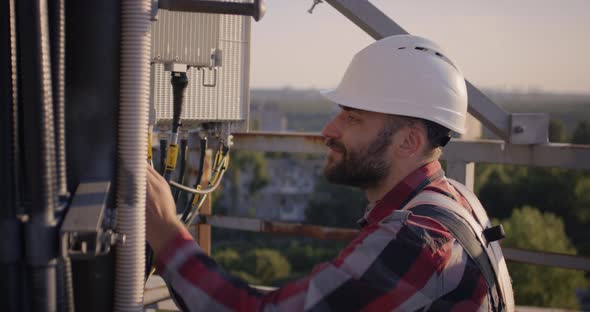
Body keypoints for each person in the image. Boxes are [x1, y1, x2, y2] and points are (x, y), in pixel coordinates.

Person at [146, 35, 514, 311]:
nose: (328, 131)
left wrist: (166, 234)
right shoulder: (456, 199)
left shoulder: (415, 243)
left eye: (353, 117)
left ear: (408, 142)